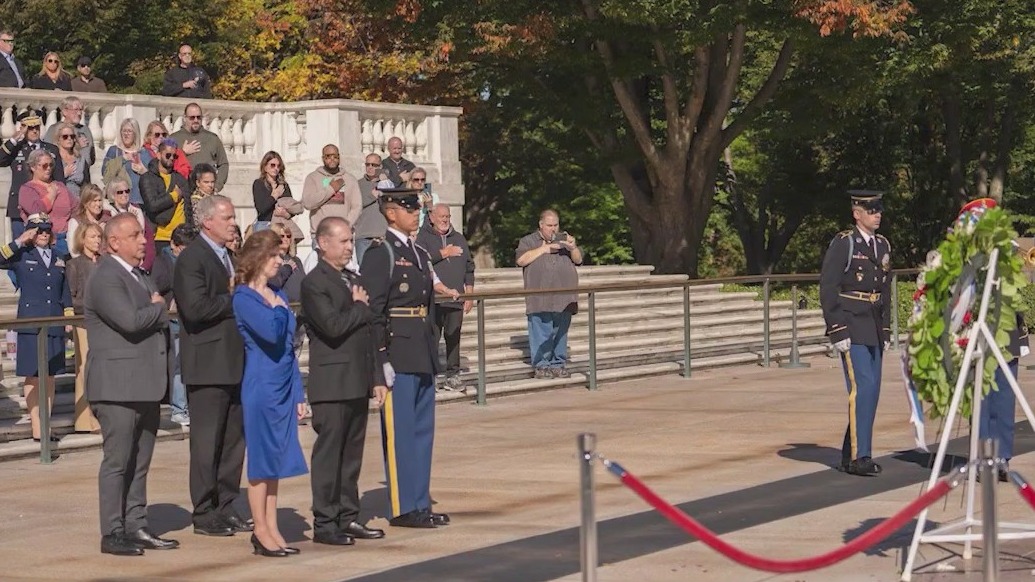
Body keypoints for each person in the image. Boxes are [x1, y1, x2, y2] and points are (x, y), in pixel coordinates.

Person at [85, 213, 178, 556]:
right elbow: (130, 320)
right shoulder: (105, 276)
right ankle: (112, 531)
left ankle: (136, 524)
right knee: (118, 461)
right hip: (117, 387)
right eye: (135, 235)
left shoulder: (140, 274)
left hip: (145, 384)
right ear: (114, 242)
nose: (143, 240)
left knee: (140, 462)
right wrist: (159, 309)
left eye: (143, 234)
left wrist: (154, 308)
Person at [361, 189, 449, 529]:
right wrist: (380, 358)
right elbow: (374, 311)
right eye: (408, 208)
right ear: (390, 212)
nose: (415, 213)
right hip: (397, 350)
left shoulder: (419, 251)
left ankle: (420, 502)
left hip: (421, 347)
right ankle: (403, 507)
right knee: (401, 433)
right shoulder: (381, 252)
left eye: (417, 208)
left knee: (422, 431)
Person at [302, 216, 388, 545]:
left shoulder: (352, 278)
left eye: (351, 240)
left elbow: (368, 335)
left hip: (355, 379)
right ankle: (325, 522)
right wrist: (359, 307)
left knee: (351, 456)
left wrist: (376, 377)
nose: (350, 246)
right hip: (332, 383)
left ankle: (348, 516)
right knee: (330, 456)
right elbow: (332, 327)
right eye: (343, 241)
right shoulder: (315, 283)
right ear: (323, 243)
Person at [173, 194, 250, 536]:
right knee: (207, 443)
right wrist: (236, 297)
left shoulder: (229, 256)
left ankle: (227, 505)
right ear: (207, 221)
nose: (233, 223)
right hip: (207, 364)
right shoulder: (192, 258)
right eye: (227, 217)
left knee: (233, 441)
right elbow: (195, 308)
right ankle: (204, 512)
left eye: (233, 217)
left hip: (235, 360)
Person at [231, 229, 308, 557]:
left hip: (284, 382)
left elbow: (288, 347)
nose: (279, 260)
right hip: (261, 385)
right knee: (262, 460)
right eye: (274, 255)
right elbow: (272, 333)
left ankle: (273, 526)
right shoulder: (244, 297)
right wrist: (278, 308)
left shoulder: (275, 292)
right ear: (258, 257)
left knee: (276, 460)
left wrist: (299, 393)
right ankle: (260, 528)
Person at [819, 190, 892, 477]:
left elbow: (884, 289)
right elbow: (828, 287)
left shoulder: (882, 244)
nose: (877, 215)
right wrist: (837, 329)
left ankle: (852, 452)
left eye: (879, 209)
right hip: (852, 322)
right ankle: (861, 456)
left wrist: (886, 328)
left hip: (873, 324)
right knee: (862, 388)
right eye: (871, 210)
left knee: (872, 392)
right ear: (857, 214)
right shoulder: (845, 243)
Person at [0, 214, 72, 442]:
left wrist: (68, 314)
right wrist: (20, 240)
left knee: (49, 375)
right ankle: (37, 426)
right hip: (31, 323)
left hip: (53, 321)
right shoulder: (22, 255)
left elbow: (64, 289)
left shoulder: (59, 257)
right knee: (33, 375)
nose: (43, 234)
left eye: (46, 230)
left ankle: (46, 423)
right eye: (38, 230)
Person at [515, 209, 583, 379]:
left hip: (565, 297)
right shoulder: (528, 241)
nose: (553, 229)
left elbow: (578, 259)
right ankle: (541, 365)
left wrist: (573, 247)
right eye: (549, 225)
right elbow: (521, 260)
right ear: (541, 225)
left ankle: (558, 363)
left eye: (556, 225)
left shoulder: (563, 240)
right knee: (541, 331)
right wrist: (544, 248)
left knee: (560, 333)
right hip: (540, 297)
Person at [416, 204, 474, 391]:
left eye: (447, 216)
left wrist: (469, 294)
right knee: (431, 339)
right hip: (432, 300)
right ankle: (429, 377)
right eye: (441, 216)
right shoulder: (423, 238)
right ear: (431, 217)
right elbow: (419, 260)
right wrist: (444, 253)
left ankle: (453, 375)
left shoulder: (459, 238)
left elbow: (469, 268)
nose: (445, 219)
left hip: (456, 299)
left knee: (453, 338)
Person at [151, 224, 196, 426]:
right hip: (174, 320)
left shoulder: (192, 261)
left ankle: (190, 405)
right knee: (178, 365)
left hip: (191, 318)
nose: (185, 253)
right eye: (182, 249)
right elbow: (155, 287)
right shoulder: (163, 262)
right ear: (173, 245)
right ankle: (179, 408)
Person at [1, 110, 64, 243]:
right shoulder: (16, 148)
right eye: (30, 128)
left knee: (44, 244)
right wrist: (15, 138)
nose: (35, 131)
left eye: (37, 127)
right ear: (23, 128)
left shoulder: (51, 150)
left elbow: (59, 180)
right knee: (21, 245)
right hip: (19, 207)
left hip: (45, 206)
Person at [67, 222, 103, 433]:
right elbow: (71, 298)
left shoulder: (105, 262)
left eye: (99, 237)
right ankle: (85, 419)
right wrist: (93, 302)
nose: (97, 241)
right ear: (82, 239)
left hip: (105, 323)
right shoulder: (75, 265)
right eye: (92, 237)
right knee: (85, 370)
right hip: (84, 323)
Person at [18, 149, 77, 258]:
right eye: (44, 165)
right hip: (43, 241)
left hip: (67, 239)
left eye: (51, 165)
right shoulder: (27, 189)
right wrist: (51, 195)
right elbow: (36, 211)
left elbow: (77, 208)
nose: (49, 168)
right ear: (33, 167)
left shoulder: (60, 186)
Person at [140, 138, 192, 254]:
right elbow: (152, 205)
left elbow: (188, 209)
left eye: (175, 156)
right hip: (160, 237)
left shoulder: (180, 179)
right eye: (168, 155)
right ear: (158, 155)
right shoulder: (147, 178)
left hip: (181, 239)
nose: (172, 158)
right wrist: (174, 196)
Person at [301, 144, 362, 242]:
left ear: (339, 157)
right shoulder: (313, 178)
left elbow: (357, 206)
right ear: (323, 158)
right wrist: (331, 189)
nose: (332, 159)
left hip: (343, 234)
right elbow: (307, 203)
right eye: (328, 156)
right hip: (321, 235)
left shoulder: (350, 179)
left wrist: (345, 226)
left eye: (335, 156)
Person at [171, 103, 229, 191]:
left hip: (206, 192)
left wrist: (217, 186)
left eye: (198, 117)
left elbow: (223, 164)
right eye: (192, 117)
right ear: (185, 118)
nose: (196, 120)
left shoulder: (212, 138)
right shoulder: (174, 139)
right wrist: (182, 152)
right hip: (182, 191)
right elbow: (166, 163)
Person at [253, 151, 303, 239]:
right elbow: (261, 208)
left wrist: (286, 214)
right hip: (265, 225)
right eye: (272, 165)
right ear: (265, 167)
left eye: (278, 166)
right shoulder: (259, 183)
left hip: (282, 226)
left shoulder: (283, 185)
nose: (276, 168)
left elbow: (291, 205)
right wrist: (274, 196)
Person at [102, 118, 151, 206]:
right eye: (124, 131)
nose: (126, 134)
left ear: (135, 133)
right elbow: (104, 172)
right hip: (117, 202)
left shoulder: (144, 153)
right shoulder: (114, 151)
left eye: (129, 131)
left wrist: (143, 171)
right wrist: (123, 159)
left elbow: (154, 177)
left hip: (139, 202)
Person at [354, 153, 389, 265]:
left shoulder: (387, 184)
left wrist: (385, 183)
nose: (370, 167)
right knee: (364, 271)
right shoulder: (357, 184)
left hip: (384, 236)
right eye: (367, 164)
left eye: (374, 165)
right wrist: (372, 196)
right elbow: (354, 205)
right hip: (364, 237)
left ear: (380, 167)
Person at [45, 96, 96, 169]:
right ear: (65, 112)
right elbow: (47, 152)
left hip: (82, 171)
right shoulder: (54, 129)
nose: (79, 113)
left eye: (80, 110)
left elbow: (91, 156)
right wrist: (77, 147)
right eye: (75, 109)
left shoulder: (85, 130)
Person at [67, 184, 111, 256]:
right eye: (94, 201)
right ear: (85, 203)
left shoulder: (107, 219)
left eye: (100, 200)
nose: (98, 204)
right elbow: (74, 251)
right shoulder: (76, 222)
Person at [51, 122, 90, 197]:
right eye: (65, 137)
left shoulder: (80, 159)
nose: (69, 139)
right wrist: (63, 175)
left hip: (77, 198)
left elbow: (87, 184)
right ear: (58, 139)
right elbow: (47, 181)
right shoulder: (53, 158)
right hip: (59, 198)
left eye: (72, 136)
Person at [188, 163, 218, 227]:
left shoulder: (216, 198)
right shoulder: (196, 201)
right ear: (198, 183)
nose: (210, 185)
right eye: (206, 182)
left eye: (212, 182)